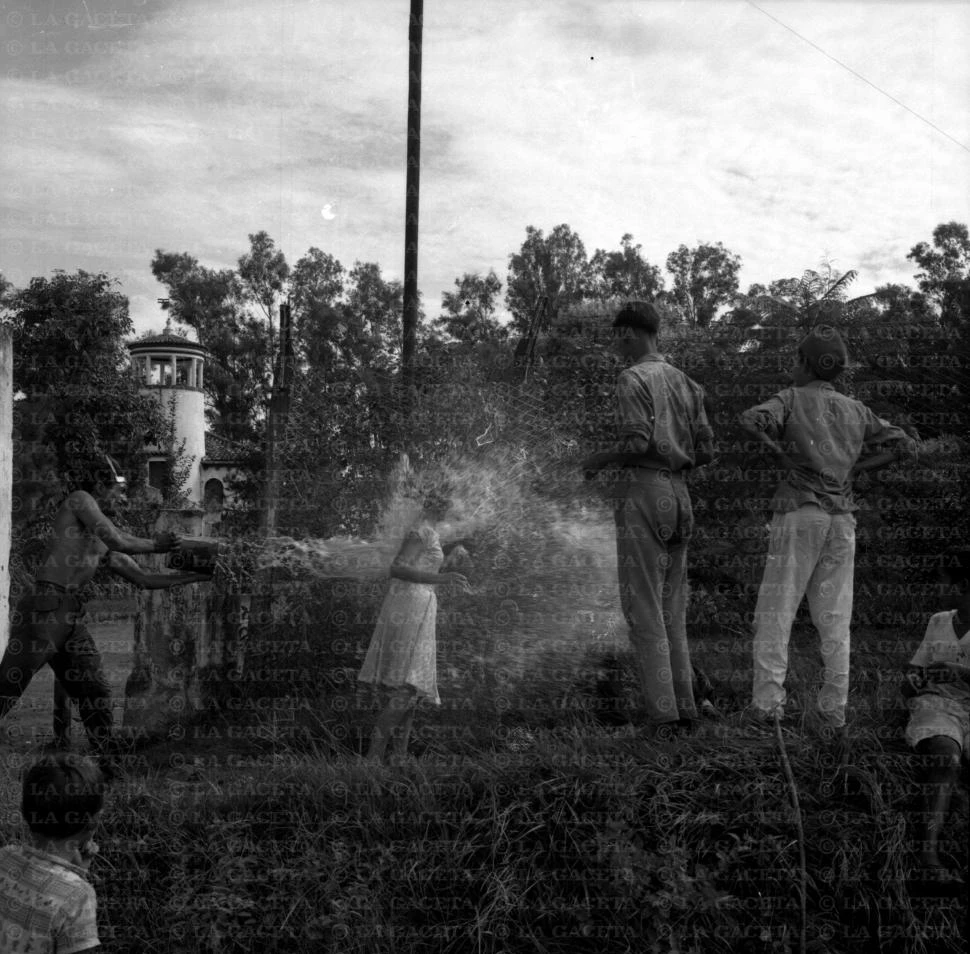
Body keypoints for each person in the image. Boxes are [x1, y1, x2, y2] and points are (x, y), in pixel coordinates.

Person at [739, 325, 916, 733]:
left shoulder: (792, 398)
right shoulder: (856, 409)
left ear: (804, 363)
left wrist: (781, 457)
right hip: (842, 521)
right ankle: (833, 714)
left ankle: (768, 710)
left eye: (795, 361)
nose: (792, 368)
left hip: (800, 512)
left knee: (775, 613)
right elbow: (904, 444)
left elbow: (751, 420)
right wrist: (856, 468)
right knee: (835, 620)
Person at [0, 456, 212, 756]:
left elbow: (143, 578)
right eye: (117, 488)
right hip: (44, 608)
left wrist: (194, 577)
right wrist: (157, 544)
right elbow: (117, 538)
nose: (121, 496)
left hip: (70, 618)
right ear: (99, 485)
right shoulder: (79, 499)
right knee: (8, 687)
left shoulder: (103, 542)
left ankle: (108, 765)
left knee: (95, 693)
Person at [581, 300, 715, 732]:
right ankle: (687, 710)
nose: (615, 345)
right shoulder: (690, 384)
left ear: (630, 333)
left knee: (643, 610)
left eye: (617, 336)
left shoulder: (632, 377)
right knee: (673, 612)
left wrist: (599, 459)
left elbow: (637, 443)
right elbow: (707, 451)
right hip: (681, 495)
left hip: (645, 489)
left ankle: (662, 717)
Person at [358, 490, 472, 762]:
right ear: (442, 505)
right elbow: (397, 568)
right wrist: (441, 579)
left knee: (412, 687)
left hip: (417, 605)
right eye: (452, 503)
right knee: (408, 687)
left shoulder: (430, 532)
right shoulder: (422, 531)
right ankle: (372, 760)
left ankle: (399, 757)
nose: (455, 507)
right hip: (410, 606)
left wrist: (444, 575)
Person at [900, 551, 970, 884]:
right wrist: (911, 681)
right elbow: (916, 670)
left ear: (964, 586)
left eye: (946, 583)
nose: (940, 589)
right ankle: (927, 858)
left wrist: (961, 672)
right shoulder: (939, 621)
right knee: (945, 755)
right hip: (939, 704)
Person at [0, 752, 107, 953]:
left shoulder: (5, 856)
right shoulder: (78, 897)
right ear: (94, 821)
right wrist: (76, 879)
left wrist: (76, 872)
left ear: (23, 811)